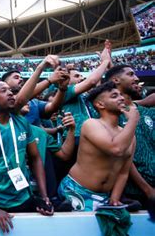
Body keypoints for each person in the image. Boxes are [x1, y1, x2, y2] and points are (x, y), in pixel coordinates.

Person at [0, 80, 53, 233]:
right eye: (3, 91)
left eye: (10, 91)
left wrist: (43, 196)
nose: (10, 93)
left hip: (22, 196)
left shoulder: (22, 123)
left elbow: (35, 158)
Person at [58, 82, 138, 211]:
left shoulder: (130, 136)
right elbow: (115, 149)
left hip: (104, 197)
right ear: (100, 104)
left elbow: (123, 172)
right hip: (76, 190)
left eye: (121, 95)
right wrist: (133, 120)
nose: (121, 98)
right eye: (114, 96)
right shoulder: (91, 124)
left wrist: (115, 198)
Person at [104, 65, 155, 207]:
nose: (137, 78)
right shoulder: (110, 114)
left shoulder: (147, 112)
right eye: (131, 74)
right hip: (132, 195)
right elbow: (121, 156)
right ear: (116, 80)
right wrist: (147, 189)